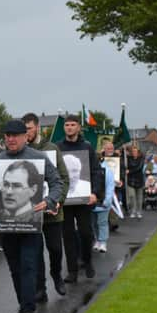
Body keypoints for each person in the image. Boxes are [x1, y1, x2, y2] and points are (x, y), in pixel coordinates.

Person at [0, 120, 62, 313]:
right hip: (6, 227)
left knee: (28, 266)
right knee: (15, 268)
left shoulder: (38, 158)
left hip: (31, 225)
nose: (11, 139)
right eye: (7, 135)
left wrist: (50, 200)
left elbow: (57, 182)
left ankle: (28, 309)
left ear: (26, 137)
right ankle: (23, 305)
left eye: (15, 135)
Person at [22, 113, 69, 300]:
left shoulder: (52, 149)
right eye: (23, 130)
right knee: (35, 251)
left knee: (56, 248)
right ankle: (40, 287)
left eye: (29, 129)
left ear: (37, 128)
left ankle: (56, 274)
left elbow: (64, 178)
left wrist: (58, 200)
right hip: (31, 212)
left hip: (52, 211)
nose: (26, 133)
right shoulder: (20, 151)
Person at [57, 115, 99, 283]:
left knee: (86, 233)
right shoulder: (58, 147)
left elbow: (96, 171)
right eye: (67, 125)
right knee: (67, 235)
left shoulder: (87, 147)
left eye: (73, 125)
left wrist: (95, 192)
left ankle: (87, 261)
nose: (69, 127)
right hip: (64, 200)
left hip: (84, 199)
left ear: (79, 127)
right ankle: (72, 270)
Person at [92, 156, 115, 253]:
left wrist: (108, 200)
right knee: (93, 223)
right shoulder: (90, 170)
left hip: (103, 202)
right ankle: (97, 240)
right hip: (92, 203)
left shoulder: (107, 171)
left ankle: (103, 242)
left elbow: (110, 186)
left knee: (102, 223)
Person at [126, 145, 145, 219]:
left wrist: (129, 171)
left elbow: (139, 168)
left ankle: (139, 211)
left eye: (136, 151)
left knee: (139, 197)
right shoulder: (128, 159)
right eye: (133, 151)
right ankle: (133, 211)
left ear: (138, 152)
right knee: (132, 196)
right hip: (131, 180)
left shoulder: (141, 159)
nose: (134, 153)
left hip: (139, 180)